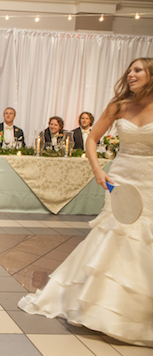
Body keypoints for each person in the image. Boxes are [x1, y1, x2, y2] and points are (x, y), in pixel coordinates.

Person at [18, 58, 153, 346]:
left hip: (151, 180)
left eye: (138, 70)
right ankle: (97, 305)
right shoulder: (118, 106)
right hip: (122, 178)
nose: (130, 74)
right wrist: (97, 170)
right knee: (116, 234)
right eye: (129, 70)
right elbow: (92, 139)